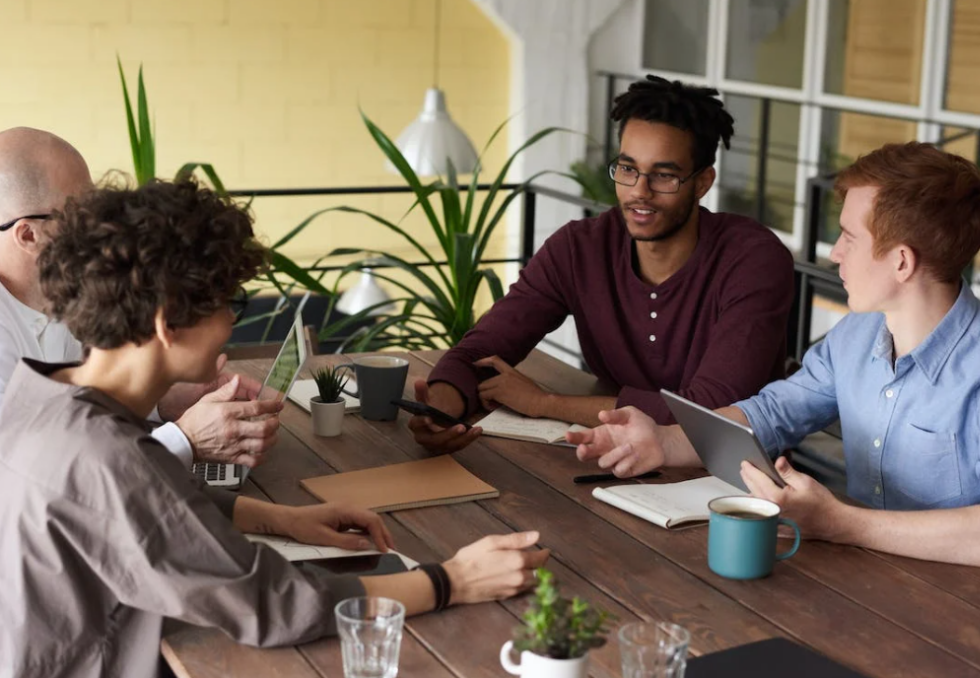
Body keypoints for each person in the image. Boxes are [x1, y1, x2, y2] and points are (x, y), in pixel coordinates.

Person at [0, 178, 549, 678]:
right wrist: (453, 580)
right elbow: (273, 604)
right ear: (168, 324)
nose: (232, 324)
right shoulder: (105, 455)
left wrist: (279, 517)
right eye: (225, 303)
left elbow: (136, 509)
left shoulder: (43, 393)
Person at [568, 142, 980, 572]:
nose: (835, 255)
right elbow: (772, 413)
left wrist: (840, 523)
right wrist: (664, 441)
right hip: (870, 582)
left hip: (978, 617)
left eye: (848, 237)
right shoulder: (857, 334)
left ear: (901, 262)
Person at [409, 76, 793, 453]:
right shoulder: (580, 248)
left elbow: (708, 412)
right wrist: (440, 411)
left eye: (663, 175)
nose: (639, 192)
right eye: (627, 169)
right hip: (614, 460)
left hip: (734, 482)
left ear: (703, 182)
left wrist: (545, 403)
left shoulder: (753, 259)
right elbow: (483, 349)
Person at [0, 126, 277, 468]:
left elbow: (83, 417)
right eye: (81, 215)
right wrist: (185, 439)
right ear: (28, 234)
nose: (99, 227)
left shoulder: (66, 293)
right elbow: (41, 473)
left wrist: (164, 400)